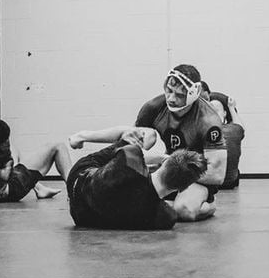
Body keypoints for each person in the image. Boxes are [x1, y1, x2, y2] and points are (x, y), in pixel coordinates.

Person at [65, 127, 207, 230]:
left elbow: (133, 156)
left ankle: (82, 136)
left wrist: (161, 157)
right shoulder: (167, 217)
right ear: (182, 188)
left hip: (78, 178)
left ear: (164, 164)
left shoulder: (130, 157)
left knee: (142, 134)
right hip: (83, 217)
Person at [133, 65, 226, 221]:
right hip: (170, 167)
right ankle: (168, 201)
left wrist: (174, 168)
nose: (171, 98)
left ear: (192, 94)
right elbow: (130, 147)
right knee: (131, 201)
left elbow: (217, 175)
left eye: (179, 95)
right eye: (169, 90)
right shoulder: (153, 108)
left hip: (197, 175)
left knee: (184, 210)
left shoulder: (208, 120)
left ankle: (209, 205)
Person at [208, 92, 245, 190]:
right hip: (229, 182)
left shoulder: (232, 130)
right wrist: (231, 107)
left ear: (224, 113)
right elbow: (240, 127)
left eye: (216, 110)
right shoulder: (234, 130)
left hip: (211, 182)